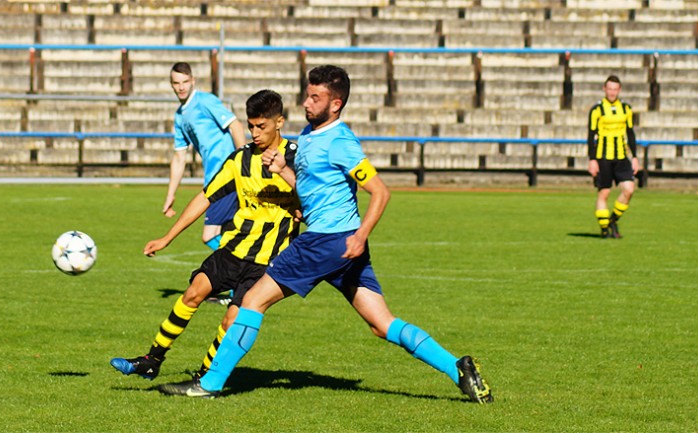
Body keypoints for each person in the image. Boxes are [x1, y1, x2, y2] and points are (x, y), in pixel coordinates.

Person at [157, 65, 493, 404]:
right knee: (382, 324)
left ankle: (209, 384)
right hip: (343, 246)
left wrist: (362, 234)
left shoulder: (340, 142)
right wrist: (284, 171)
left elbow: (380, 192)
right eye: (307, 93)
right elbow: (308, 193)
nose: (306, 101)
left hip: (324, 242)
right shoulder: (310, 135)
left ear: (335, 104)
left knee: (252, 302)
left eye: (315, 97)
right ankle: (458, 368)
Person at [111, 90, 300, 380]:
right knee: (192, 293)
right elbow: (205, 197)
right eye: (250, 126)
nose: (254, 133)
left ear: (279, 123)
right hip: (233, 250)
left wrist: (287, 177)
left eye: (261, 126)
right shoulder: (240, 159)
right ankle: (151, 360)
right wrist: (167, 237)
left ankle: (204, 375)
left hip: (267, 262)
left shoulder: (297, 157)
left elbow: (312, 198)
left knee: (231, 318)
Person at [165, 62, 246, 251]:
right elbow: (179, 157)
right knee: (230, 234)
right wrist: (171, 194)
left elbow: (235, 125)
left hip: (227, 177)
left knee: (210, 235)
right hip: (214, 179)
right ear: (171, 85)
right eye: (177, 83)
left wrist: (245, 162)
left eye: (185, 81)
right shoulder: (180, 116)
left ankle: (244, 268)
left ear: (193, 81)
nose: (182, 87)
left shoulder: (205, 101)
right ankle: (246, 275)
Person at [587, 75, 638, 239]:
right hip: (603, 157)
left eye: (615, 89)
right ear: (604, 89)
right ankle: (604, 230)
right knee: (604, 193)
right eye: (609, 89)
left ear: (619, 90)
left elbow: (630, 133)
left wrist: (635, 156)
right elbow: (591, 135)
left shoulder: (626, 109)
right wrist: (592, 159)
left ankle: (612, 220)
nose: (612, 92)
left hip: (622, 156)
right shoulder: (596, 110)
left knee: (629, 189)